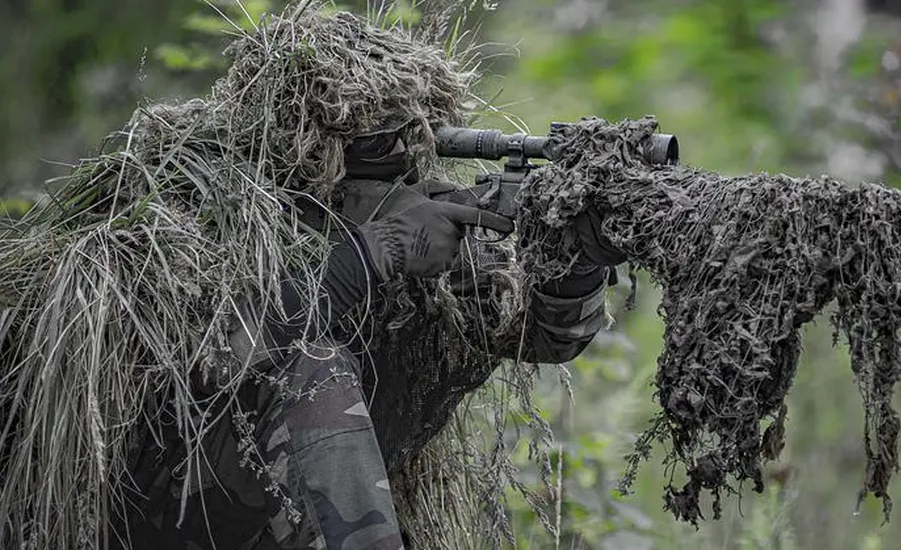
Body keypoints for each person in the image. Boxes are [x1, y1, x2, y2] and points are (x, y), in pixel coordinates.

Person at [111, 118, 626, 550]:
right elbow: (215, 359)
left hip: (293, 524)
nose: (400, 178)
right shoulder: (212, 211)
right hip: (172, 515)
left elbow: (542, 338)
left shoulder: (420, 228)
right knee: (316, 364)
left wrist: (576, 260)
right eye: (377, 164)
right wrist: (368, 255)